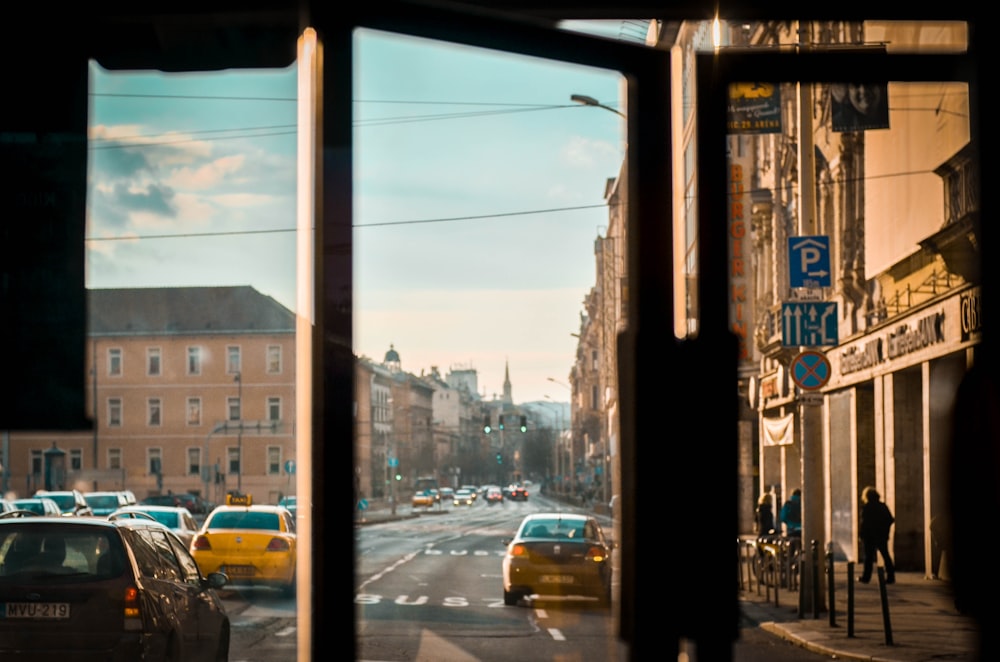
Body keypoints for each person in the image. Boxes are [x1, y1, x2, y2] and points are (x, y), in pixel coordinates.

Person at [859, 486, 896, 584]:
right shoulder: (882, 506)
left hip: (869, 536)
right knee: (886, 555)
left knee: (868, 558)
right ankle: (891, 577)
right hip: (881, 535)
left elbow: (864, 523)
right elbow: (890, 519)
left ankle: (866, 578)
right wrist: (885, 530)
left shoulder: (867, 508)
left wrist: (861, 535)